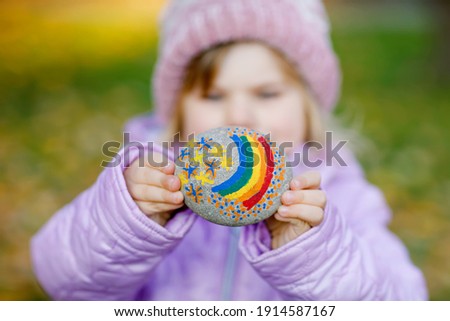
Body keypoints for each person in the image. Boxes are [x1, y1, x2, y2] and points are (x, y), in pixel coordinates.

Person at [31, 0, 427, 300]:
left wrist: (310, 252)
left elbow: (400, 300)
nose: (239, 115)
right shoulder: (144, 180)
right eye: (214, 94)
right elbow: (61, 280)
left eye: (267, 93)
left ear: (309, 109)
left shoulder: (340, 193)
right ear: (179, 112)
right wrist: (130, 219)